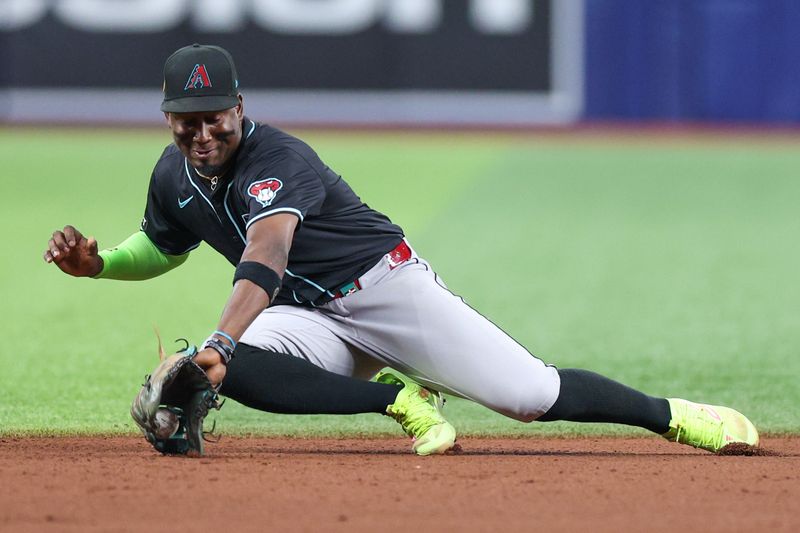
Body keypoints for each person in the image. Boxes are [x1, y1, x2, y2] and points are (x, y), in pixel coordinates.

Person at [45, 44, 759, 456]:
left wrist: (223, 335)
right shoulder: (173, 173)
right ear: (168, 120)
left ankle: (672, 414)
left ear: (240, 108)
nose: (202, 135)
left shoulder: (278, 156)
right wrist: (101, 263)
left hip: (384, 289)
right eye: (186, 122)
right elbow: (165, 244)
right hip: (307, 315)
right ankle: (397, 399)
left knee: (531, 395)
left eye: (216, 119)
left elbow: (264, 252)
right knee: (225, 365)